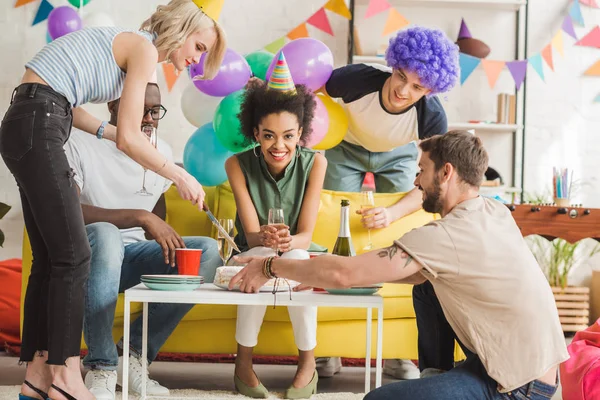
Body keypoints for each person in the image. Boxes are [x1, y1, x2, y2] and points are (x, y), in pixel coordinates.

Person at [230, 131, 569, 400]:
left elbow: (345, 273)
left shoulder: (447, 235)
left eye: (422, 171)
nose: (417, 182)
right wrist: (316, 277)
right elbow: (401, 273)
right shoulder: (494, 212)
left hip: (514, 388)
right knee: (427, 286)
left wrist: (270, 267)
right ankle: (436, 376)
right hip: (540, 374)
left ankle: (442, 383)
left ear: (446, 172)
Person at [0, 1, 226, 399]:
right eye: (199, 47)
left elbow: (68, 106)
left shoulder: (128, 46)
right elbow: (130, 136)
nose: (194, 60)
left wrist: (104, 131)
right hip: (41, 120)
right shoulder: (144, 51)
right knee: (74, 257)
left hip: (27, 120)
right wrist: (177, 173)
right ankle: (67, 376)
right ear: (183, 28)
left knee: (52, 261)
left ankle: (36, 377)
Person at [62, 82, 222, 400]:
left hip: (132, 258)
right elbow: (71, 211)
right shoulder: (80, 143)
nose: (149, 119)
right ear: (113, 109)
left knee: (206, 251)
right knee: (107, 233)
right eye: (141, 110)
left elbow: (155, 223)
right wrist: (139, 216)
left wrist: (159, 229)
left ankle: (131, 356)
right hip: (91, 255)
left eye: (155, 111)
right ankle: (101, 366)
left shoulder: (160, 152)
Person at [319, 25, 460, 379]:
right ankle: (328, 347)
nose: (403, 89)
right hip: (344, 147)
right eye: (400, 76)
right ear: (393, 64)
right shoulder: (355, 80)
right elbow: (309, 100)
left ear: (430, 90)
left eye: (418, 86)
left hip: (397, 156)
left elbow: (433, 185)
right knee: (337, 225)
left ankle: (394, 351)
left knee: (396, 231)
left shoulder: (431, 116)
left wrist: (393, 212)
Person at [224, 53, 327, 399]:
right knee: (262, 253)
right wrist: (268, 239)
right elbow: (252, 234)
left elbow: (307, 235)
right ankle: (243, 363)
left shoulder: (316, 164)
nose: (278, 146)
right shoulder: (237, 165)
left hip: (298, 251)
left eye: (287, 136)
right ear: (255, 133)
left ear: (300, 133)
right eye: (268, 136)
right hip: (255, 249)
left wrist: (288, 239)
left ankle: (307, 363)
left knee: (297, 253)